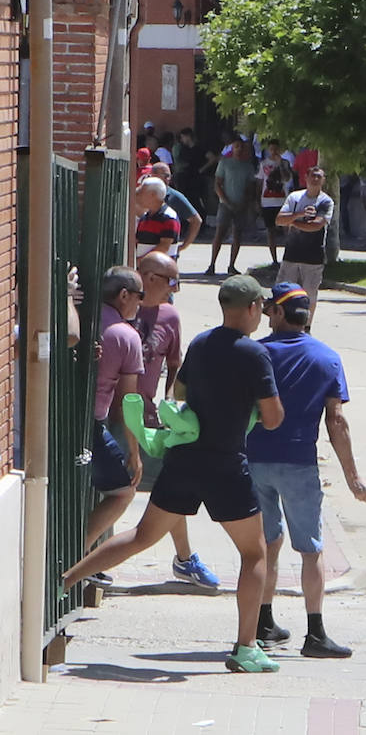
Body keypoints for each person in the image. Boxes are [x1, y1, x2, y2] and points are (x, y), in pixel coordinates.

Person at [62, 275, 286, 674]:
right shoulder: (255, 355)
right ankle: (246, 647)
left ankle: (64, 581)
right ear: (252, 308)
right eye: (261, 308)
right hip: (226, 464)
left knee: (143, 535)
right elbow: (272, 419)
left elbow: (179, 394)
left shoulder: (201, 344)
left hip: (185, 458)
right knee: (255, 552)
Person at [250, 282, 366, 658]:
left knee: (265, 546)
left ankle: (262, 624)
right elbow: (336, 422)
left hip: (253, 460)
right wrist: (354, 477)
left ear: (276, 313)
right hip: (299, 463)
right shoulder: (327, 358)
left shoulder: (255, 354)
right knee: (310, 550)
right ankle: (315, 633)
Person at [134, 252, 219, 589]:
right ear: (149, 278)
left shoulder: (169, 316)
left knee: (167, 488)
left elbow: (175, 365)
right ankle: (89, 553)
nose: (175, 290)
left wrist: (171, 402)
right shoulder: (122, 307)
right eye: (172, 282)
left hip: (151, 417)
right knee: (115, 486)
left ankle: (184, 559)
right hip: (111, 412)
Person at [81, 267, 146, 578]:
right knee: (122, 491)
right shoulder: (125, 335)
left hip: (59, 420)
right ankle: (78, 558)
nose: (140, 304)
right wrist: (133, 452)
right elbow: (128, 401)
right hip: (91, 424)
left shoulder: (80, 314)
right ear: (124, 295)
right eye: (139, 296)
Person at [276, 166, 333, 328]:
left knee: (309, 295)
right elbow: (279, 220)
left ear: (323, 180)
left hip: (313, 257)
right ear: (306, 177)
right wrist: (299, 215)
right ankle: (282, 324)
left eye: (319, 177)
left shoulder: (325, 201)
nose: (315, 179)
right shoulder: (294, 197)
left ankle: (306, 327)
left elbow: (317, 225)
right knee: (284, 292)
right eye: (313, 176)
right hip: (291, 254)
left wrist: (292, 222)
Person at [207, 138, 261, 276]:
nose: (240, 149)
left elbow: (250, 187)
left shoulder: (248, 166)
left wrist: (246, 202)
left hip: (241, 204)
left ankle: (232, 265)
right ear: (232, 148)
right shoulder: (224, 163)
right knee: (220, 233)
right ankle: (212, 264)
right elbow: (218, 184)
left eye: (242, 147)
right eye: (237, 147)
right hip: (225, 204)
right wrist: (225, 201)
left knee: (237, 235)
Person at [150, 162, 203, 253]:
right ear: (152, 176)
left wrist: (183, 246)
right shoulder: (143, 193)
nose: (168, 179)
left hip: (167, 252)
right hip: (143, 247)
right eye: (164, 175)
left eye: (169, 176)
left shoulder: (174, 197)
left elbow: (196, 221)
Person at [258, 140, 293, 266]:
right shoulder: (264, 164)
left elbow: (287, 178)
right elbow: (260, 182)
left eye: (276, 149)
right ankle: (274, 259)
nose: (273, 152)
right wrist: (257, 200)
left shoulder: (285, 163)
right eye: (271, 149)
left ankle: (288, 256)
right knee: (270, 230)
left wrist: (280, 165)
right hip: (267, 201)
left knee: (286, 228)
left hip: (282, 200)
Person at [133, 176, 180, 260]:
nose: (137, 195)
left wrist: (141, 261)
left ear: (152, 195)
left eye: (141, 192)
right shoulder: (144, 217)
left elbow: (164, 247)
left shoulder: (169, 217)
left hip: (160, 271)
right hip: (144, 269)